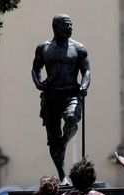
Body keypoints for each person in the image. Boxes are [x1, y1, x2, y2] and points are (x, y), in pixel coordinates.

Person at [32, 14, 91, 185]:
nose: (70, 28)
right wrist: (37, 82)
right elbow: (35, 69)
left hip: (71, 93)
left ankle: (63, 143)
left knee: (72, 119)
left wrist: (84, 85)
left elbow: (86, 71)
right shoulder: (43, 48)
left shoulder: (79, 48)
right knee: (53, 137)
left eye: (71, 25)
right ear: (56, 27)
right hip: (51, 95)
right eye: (66, 25)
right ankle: (63, 175)